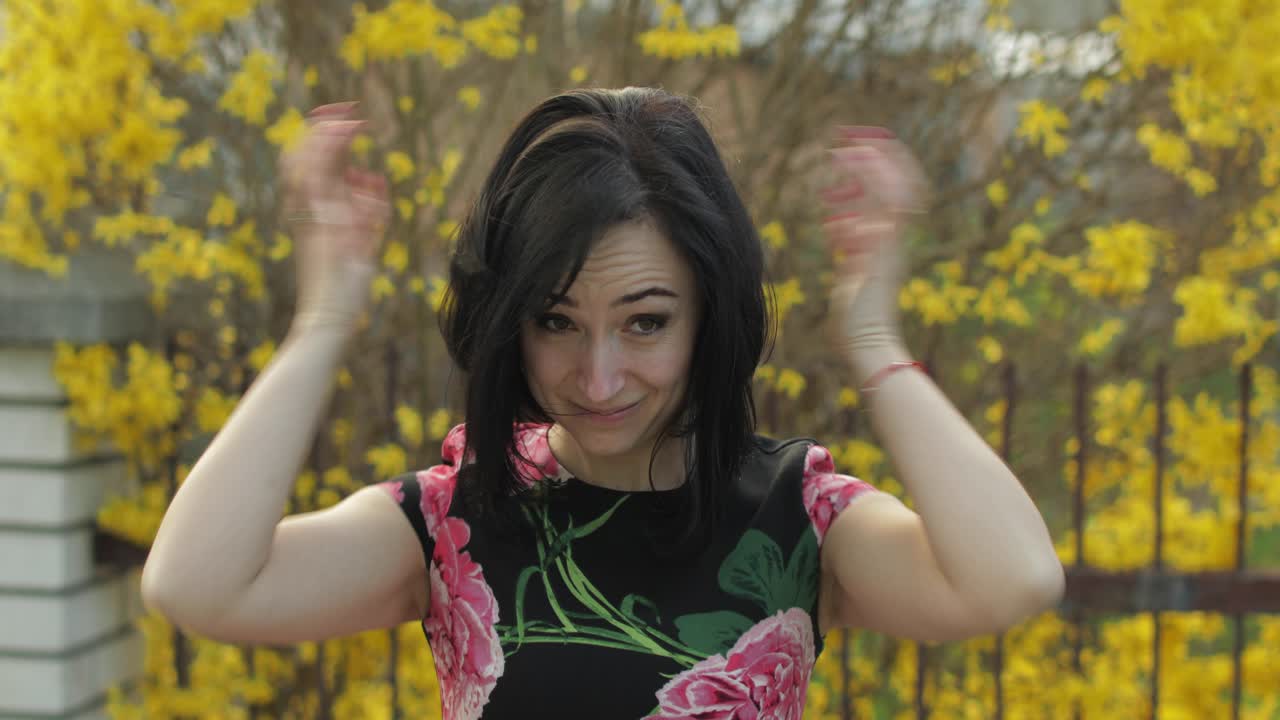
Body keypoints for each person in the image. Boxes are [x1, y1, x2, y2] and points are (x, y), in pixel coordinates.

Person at [141, 87, 1064, 719]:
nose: (598, 376)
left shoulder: (799, 522)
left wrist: (872, 340)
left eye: (646, 323)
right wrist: (324, 317)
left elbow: (1012, 579)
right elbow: (198, 584)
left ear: (710, 314)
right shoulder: (455, 518)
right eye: (556, 321)